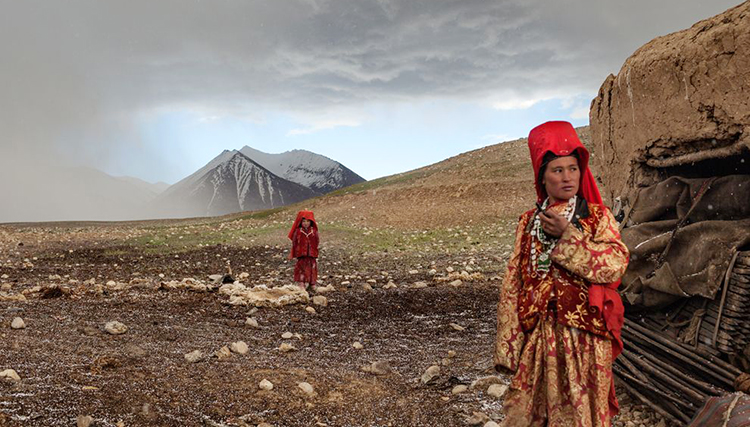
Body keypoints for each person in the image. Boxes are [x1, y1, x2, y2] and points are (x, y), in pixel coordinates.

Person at [494, 121, 629, 427]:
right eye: (557, 170)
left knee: (580, 416)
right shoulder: (529, 222)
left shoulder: (596, 217)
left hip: (584, 339)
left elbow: (615, 263)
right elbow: (515, 279)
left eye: (573, 168)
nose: (567, 177)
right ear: (542, 175)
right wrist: (508, 345)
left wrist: (569, 235)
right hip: (540, 336)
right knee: (529, 412)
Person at [288, 210, 319, 291]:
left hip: (311, 254)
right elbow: (294, 242)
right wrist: (295, 252)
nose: (306, 223)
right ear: (300, 221)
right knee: (301, 268)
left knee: (312, 268)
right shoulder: (298, 231)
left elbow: (316, 241)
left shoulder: (314, 231)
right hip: (301, 254)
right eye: (304, 221)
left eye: (308, 221)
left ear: (311, 222)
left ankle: (312, 283)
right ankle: (301, 283)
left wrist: (315, 251)